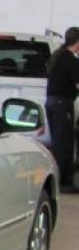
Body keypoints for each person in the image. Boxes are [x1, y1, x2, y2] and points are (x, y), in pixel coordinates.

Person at [45, 26, 79, 192]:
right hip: (62, 104)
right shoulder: (71, 60)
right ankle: (62, 182)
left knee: (58, 141)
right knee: (64, 143)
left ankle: (59, 180)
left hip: (51, 103)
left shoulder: (57, 56)